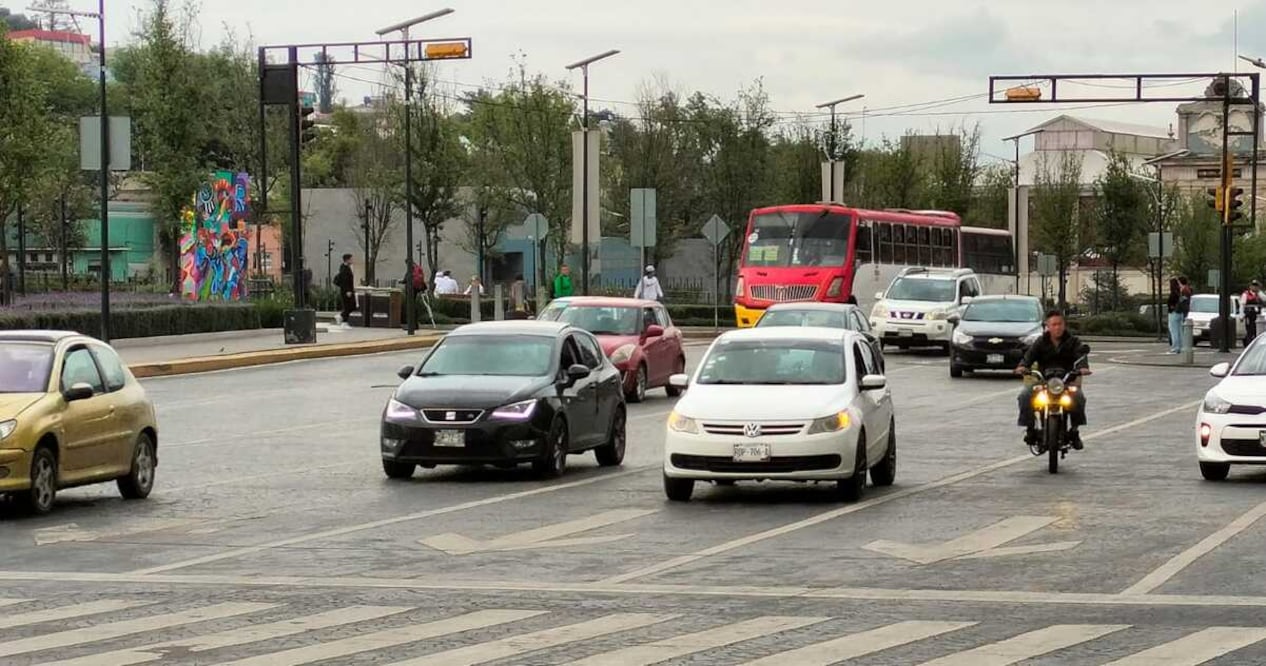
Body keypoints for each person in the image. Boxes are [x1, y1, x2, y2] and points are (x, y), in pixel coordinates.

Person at [1014, 310, 1091, 450]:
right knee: (1024, 395)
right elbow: (1028, 357)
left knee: (1079, 397)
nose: (1057, 327)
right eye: (1054, 324)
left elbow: (1081, 356)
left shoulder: (1073, 341)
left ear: (1064, 325)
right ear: (1047, 326)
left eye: (1060, 324)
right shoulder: (1040, 342)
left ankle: (1074, 431)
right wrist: (1022, 366)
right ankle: (1030, 429)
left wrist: (1082, 368)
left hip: (1066, 382)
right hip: (1044, 381)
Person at [1167, 276, 1192, 354]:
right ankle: (1181, 347)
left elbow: (1171, 302)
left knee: (1174, 331)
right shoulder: (1181, 291)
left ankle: (1175, 347)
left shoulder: (1175, 292)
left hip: (1174, 312)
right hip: (1180, 312)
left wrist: (1171, 307)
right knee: (1180, 331)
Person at [334, 254, 356, 328]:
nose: (352, 260)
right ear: (347, 260)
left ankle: (342, 318)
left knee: (352, 306)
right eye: (351, 259)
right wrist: (347, 291)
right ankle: (343, 320)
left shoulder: (347, 268)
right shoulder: (344, 269)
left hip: (349, 290)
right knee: (348, 306)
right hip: (346, 291)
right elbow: (345, 281)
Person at [1244, 280, 1263, 345]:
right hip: (1249, 314)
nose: (1254, 287)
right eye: (1253, 286)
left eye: (1256, 286)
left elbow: (1264, 299)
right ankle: (1249, 343)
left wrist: (1259, 292)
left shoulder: (1259, 294)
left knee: (1256, 330)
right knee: (1249, 330)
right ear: (1250, 286)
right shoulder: (1246, 294)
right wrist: (1241, 315)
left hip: (1257, 315)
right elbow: (1242, 304)